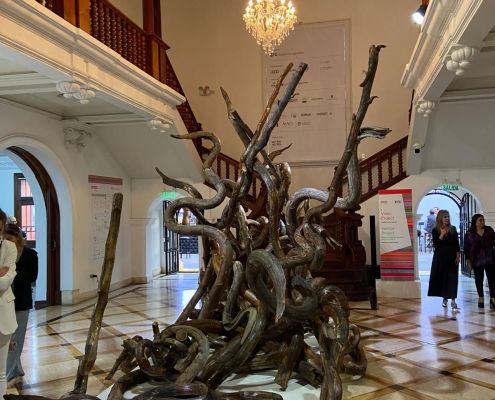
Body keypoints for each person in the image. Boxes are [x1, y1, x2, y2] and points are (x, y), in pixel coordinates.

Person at [4, 223, 38, 386]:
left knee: (16, 338)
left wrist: (12, 273)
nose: (7, 242)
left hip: (21, 302)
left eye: (10, 239)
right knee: (8, 338)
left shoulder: (30, 255)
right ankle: (16, 368)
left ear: (18, 238)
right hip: (5, 301)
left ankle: (9, 373)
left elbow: (32, 277)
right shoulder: (4, 252)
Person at [427, 209, 461, 310]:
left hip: (452, 257)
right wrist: (441, 234)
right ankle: (445, 299)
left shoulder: (453, 229)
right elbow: (436, 245)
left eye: (448, 216)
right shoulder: (435, 230)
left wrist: (458, 256)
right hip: (440, 257)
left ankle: (453, 301)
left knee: (453, 278)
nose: (447, 218)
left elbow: (456, 244)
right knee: (443, 278)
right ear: (440, 218)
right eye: (445, 217)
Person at [0, 209, 17, 396]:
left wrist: (3, 276)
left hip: (3, 315)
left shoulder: (9, 247)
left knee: (0, 372)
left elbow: (4, 282)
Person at [463, 214, 495, 309]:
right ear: (475, 222)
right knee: (479, 279)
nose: (482, 222)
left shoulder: (489, 230)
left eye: (483, 220)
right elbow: (466, 248)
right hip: (477, 259)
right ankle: (481, 297)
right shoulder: (470, 233)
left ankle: (493, 298)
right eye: (480, 220)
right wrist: (468, 261)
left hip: (490, 258)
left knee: (492, 279)